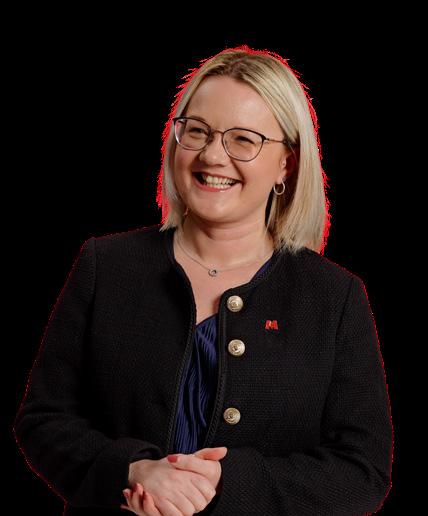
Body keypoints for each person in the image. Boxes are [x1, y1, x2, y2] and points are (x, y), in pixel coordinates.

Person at [13, 45, 393, 515]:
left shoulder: (335, 297)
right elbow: (43, 420)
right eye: (197, 131)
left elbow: (362, 472)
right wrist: (133, 469)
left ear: (287, 164)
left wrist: (226, 484)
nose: (213, 155)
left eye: (243, 140)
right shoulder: (105, 265)